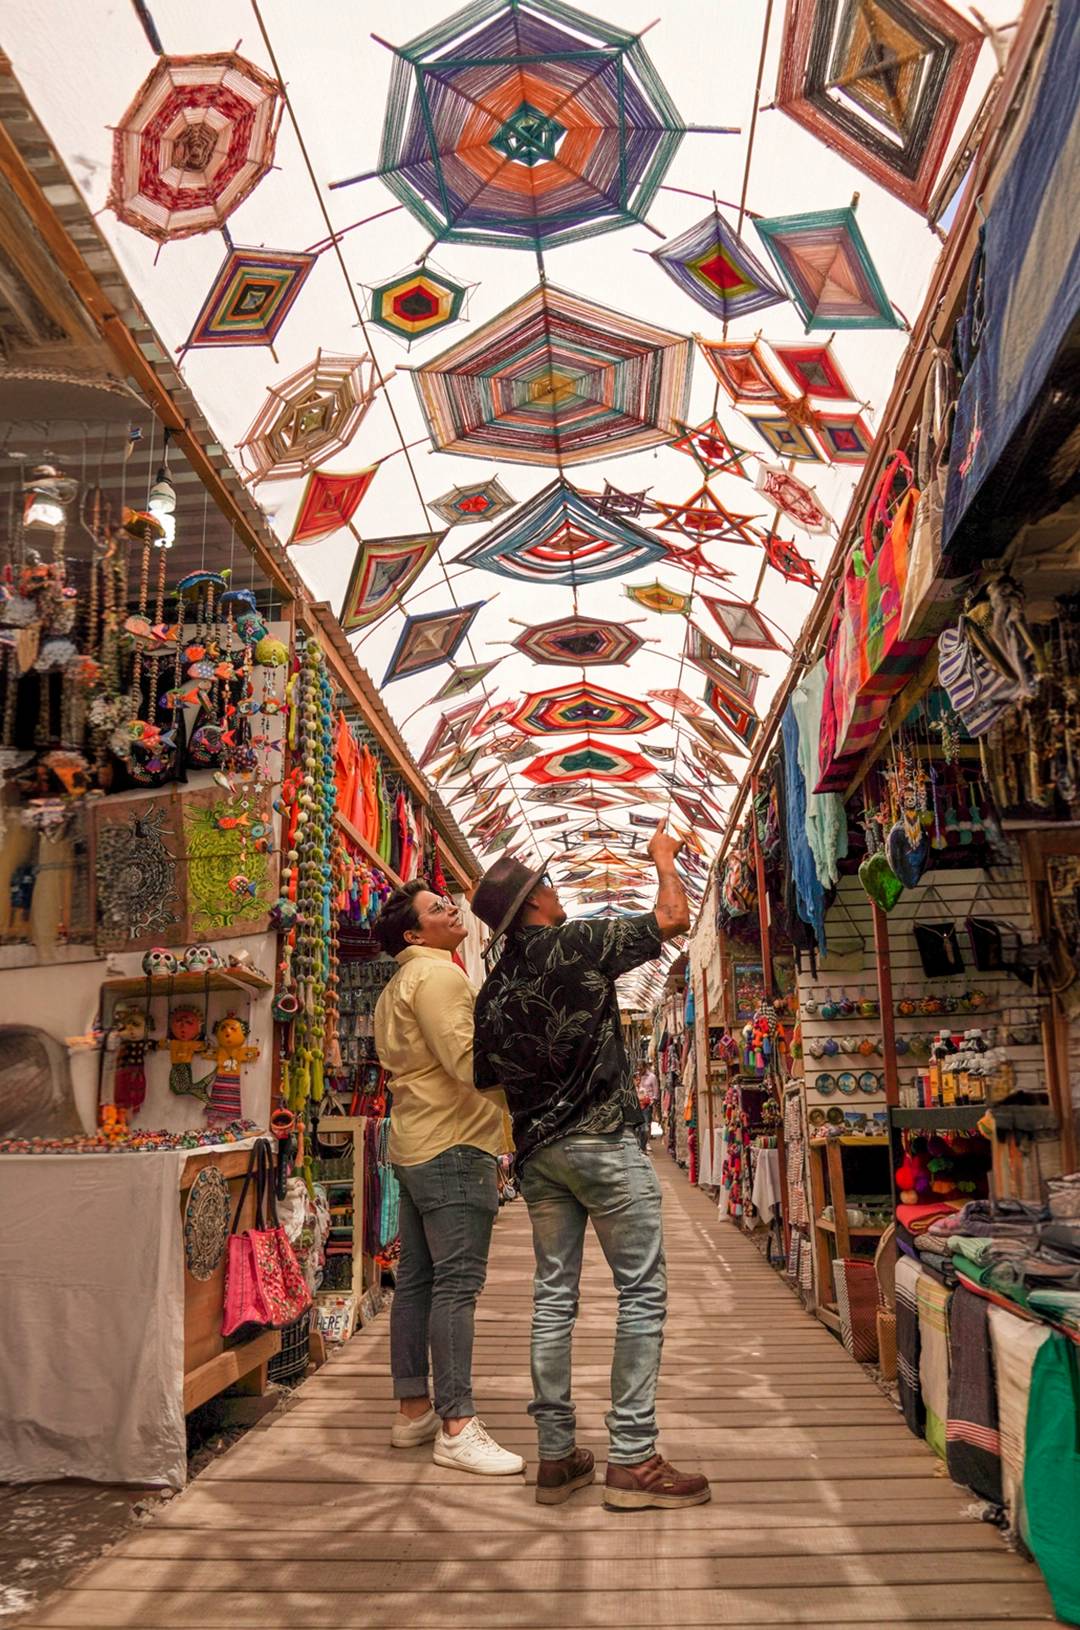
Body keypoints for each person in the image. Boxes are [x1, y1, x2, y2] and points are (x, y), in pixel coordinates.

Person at [471, 823, 710, 1511]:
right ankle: (632, 1459)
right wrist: (661, 857)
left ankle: (556, 1457)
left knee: (554, 1297)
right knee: (640, 1293)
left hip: (540, 1157)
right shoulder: (575, 943)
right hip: (603, 1142)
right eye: (546, 884)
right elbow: (671, 918)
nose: (555, 889)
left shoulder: (493, 989)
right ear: (535, 906)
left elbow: (487, 1076)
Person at [372, 881, 523, 1477]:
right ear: (414, 934)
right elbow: (468, 1063)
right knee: (456, 1285)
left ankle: (414, 1410)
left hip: (416, 1142)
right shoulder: (438, 977)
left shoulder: (399, 985)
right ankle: (457, 1424)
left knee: (417, 1282)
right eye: (437, 908)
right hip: (455, 1143)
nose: (452, 909)